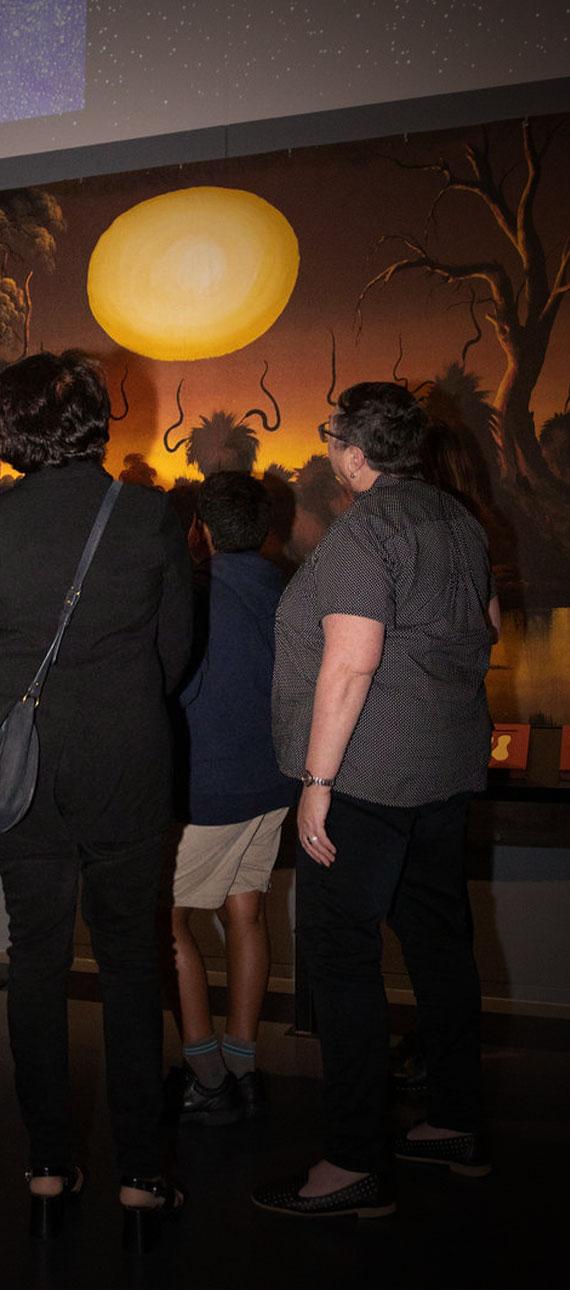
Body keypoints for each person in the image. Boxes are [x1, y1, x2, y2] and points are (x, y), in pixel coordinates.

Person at [0, 350, 192, 1249]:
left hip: (26, 771)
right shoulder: (146, 514)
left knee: (37, 959)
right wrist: (124, 701)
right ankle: (140, 1176)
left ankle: (48, 1163)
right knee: (133, 962)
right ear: (97, 419)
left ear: (9, 432)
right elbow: (176, 648)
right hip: (128, 758)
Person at [253, 382, 498, 1218]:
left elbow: (350, 662)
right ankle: (455, 1124)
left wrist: (317, 784)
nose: (329, 451)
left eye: (331, 438)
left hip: (366, 779)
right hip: (444, 771)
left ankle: (352, 1162)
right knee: (439, 945)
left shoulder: (366, 532)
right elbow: (486, 621)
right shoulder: (458, 521)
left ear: (357, 453)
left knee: (342, 959)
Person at [167, 472, 296, 1125]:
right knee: (246, 915)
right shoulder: (286, 587)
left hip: (210, 787)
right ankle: (243, 1065)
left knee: (163, 920)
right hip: (275, 783)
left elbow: (178, 690)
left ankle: (206, 1071)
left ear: (203, 529)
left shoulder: (196, 594)